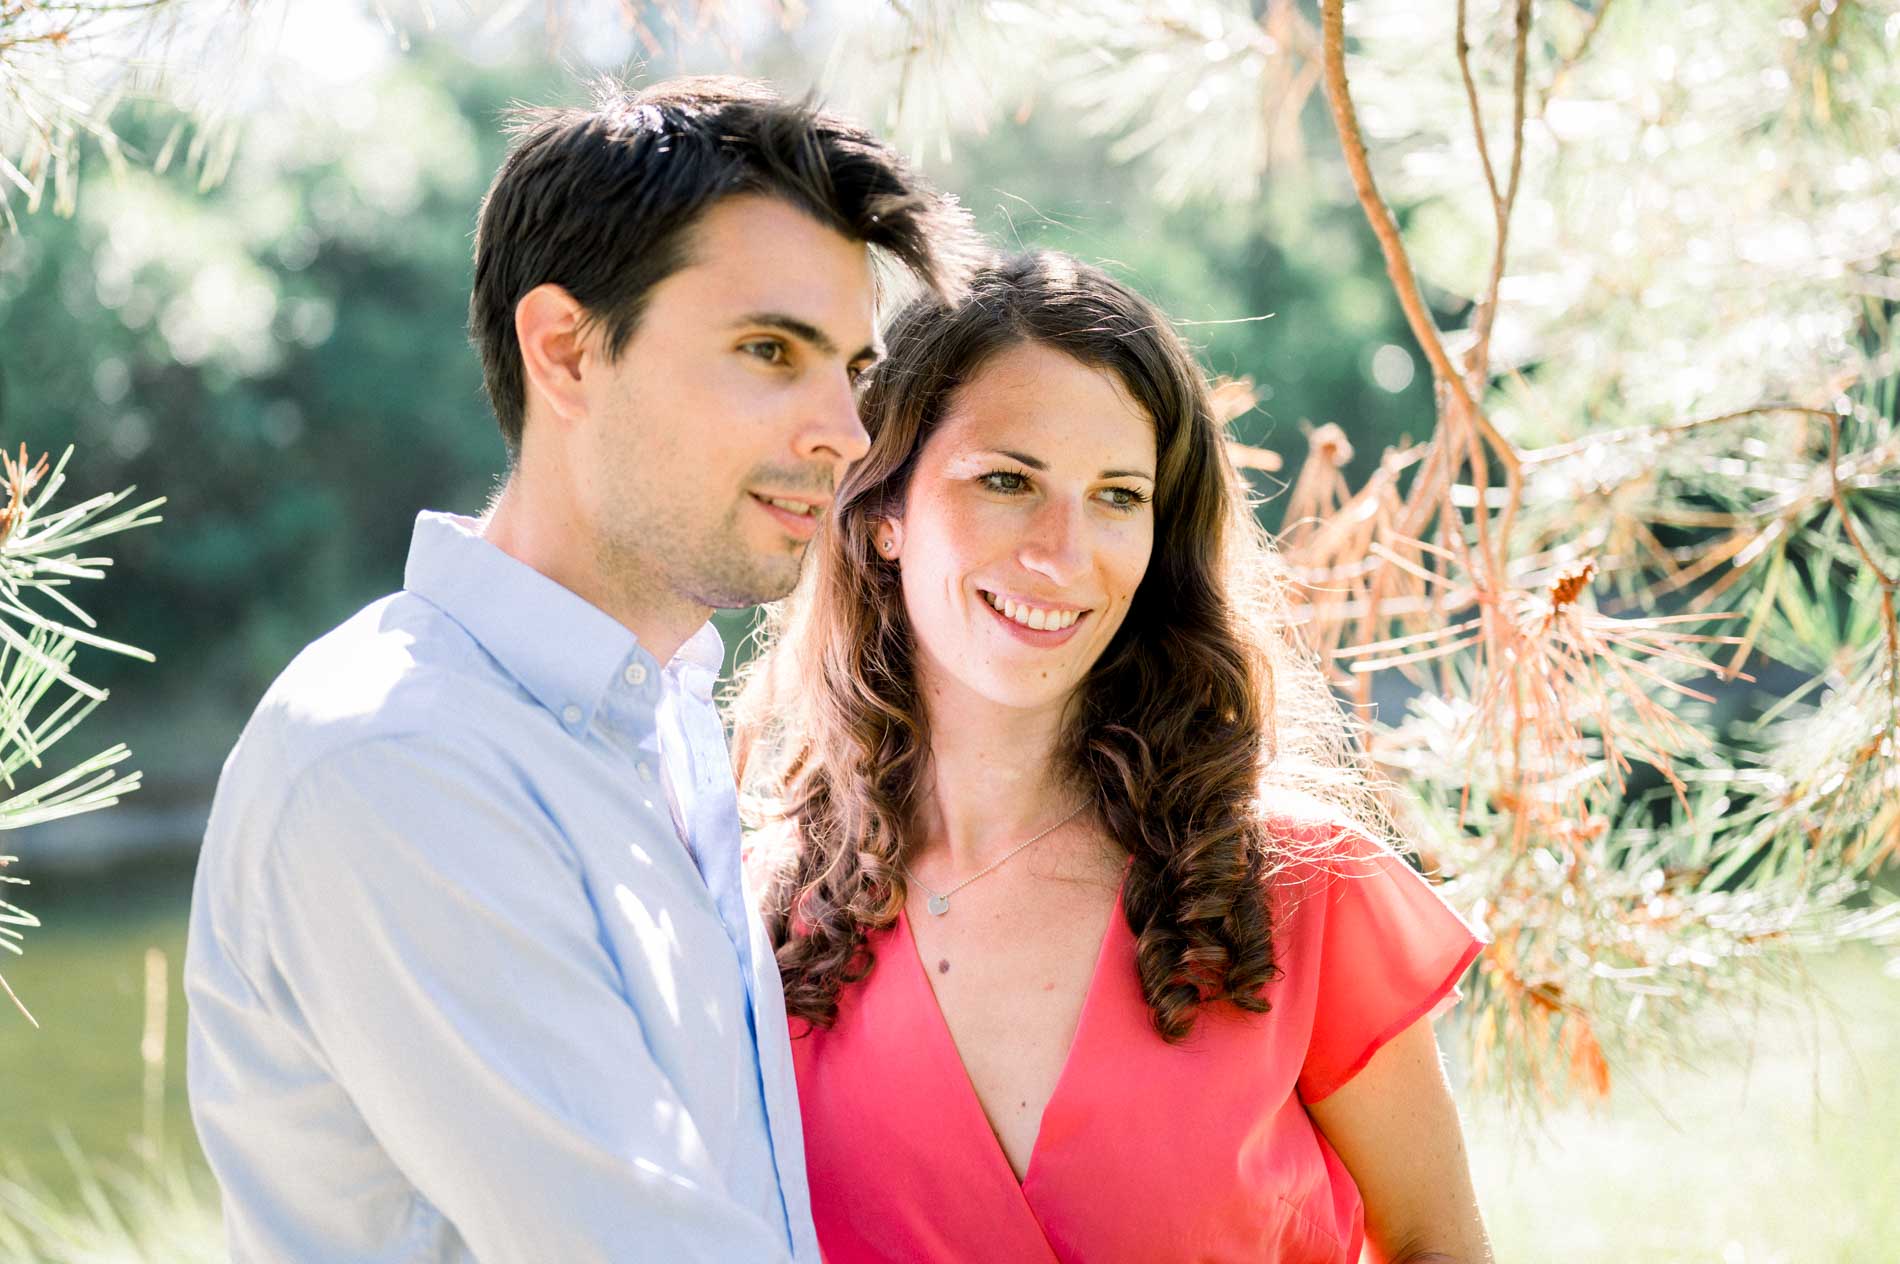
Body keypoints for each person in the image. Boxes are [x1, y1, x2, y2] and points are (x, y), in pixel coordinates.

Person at [184, 76, 972, 1263]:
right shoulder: (395, 761)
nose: (846, 434)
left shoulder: (656, 721)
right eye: (770, 350)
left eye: (852, 370)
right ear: (564, 351)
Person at [733, 252, 1494, 1263]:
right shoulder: (765, 924)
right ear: (883, 513)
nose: (1062, 550)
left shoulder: (1294, 890)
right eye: (1007, 479)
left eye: (1117, 495)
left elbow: (1439, 1244)